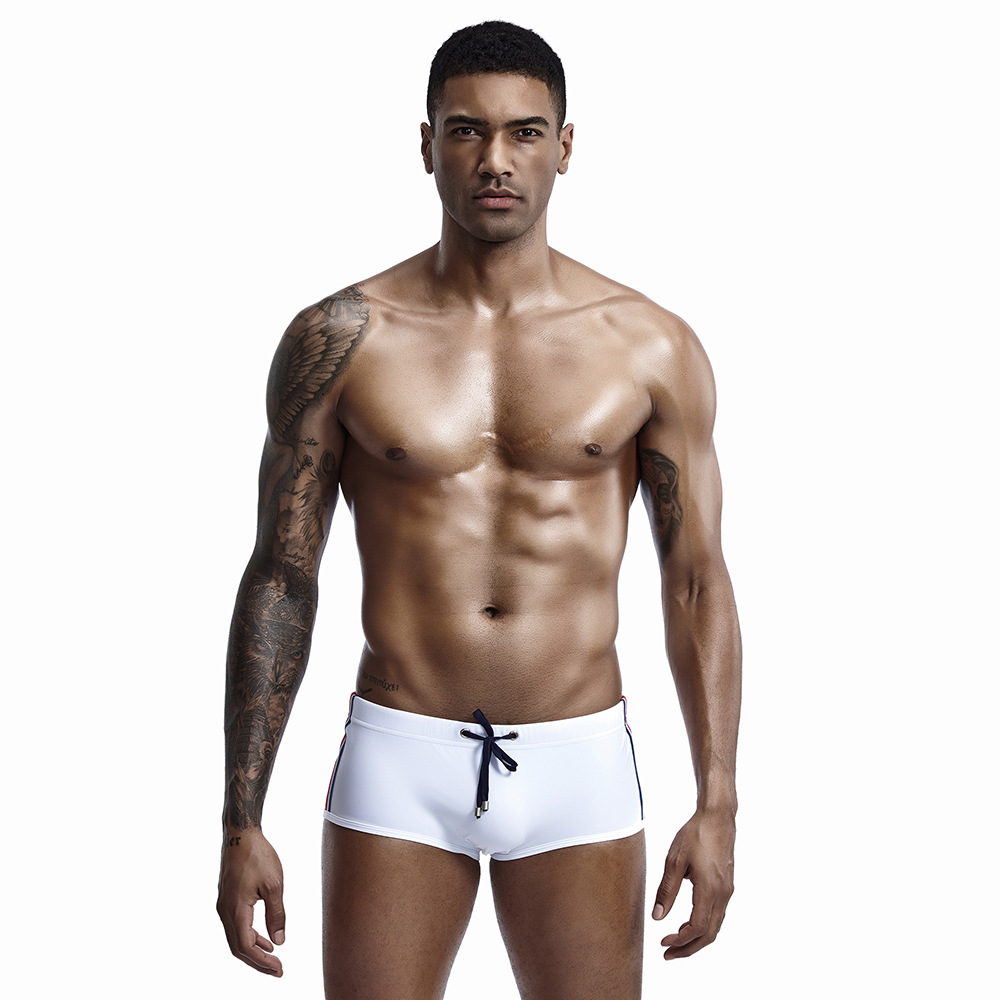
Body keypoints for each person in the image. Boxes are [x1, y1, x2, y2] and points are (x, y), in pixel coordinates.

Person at [216, 20, 741, 999]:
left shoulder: (648, 346)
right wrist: (240, 820)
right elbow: (282, 573)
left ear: (564, 147)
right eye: (466, 130)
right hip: (401, 754)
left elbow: (696, 578)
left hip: (577, 758)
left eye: (524, 132)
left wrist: (718, 804)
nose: (495, 159)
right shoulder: (342, 338)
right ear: (427, 144)